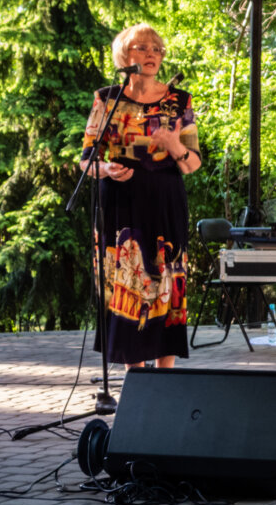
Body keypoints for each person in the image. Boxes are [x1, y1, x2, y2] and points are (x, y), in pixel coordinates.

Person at [79, 24, 201, 369]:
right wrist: (104, 169)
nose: (151, 53)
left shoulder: (180, 100)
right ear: (124, 56)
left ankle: (165, 375)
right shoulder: (107, 98)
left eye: (156, 48)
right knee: (126, 282)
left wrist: (174, 145)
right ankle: (135, 374)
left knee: (164, 277)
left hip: (163, 200)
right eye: (142, 47)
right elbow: (86, 159)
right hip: (120, 203)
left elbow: (192, 165)